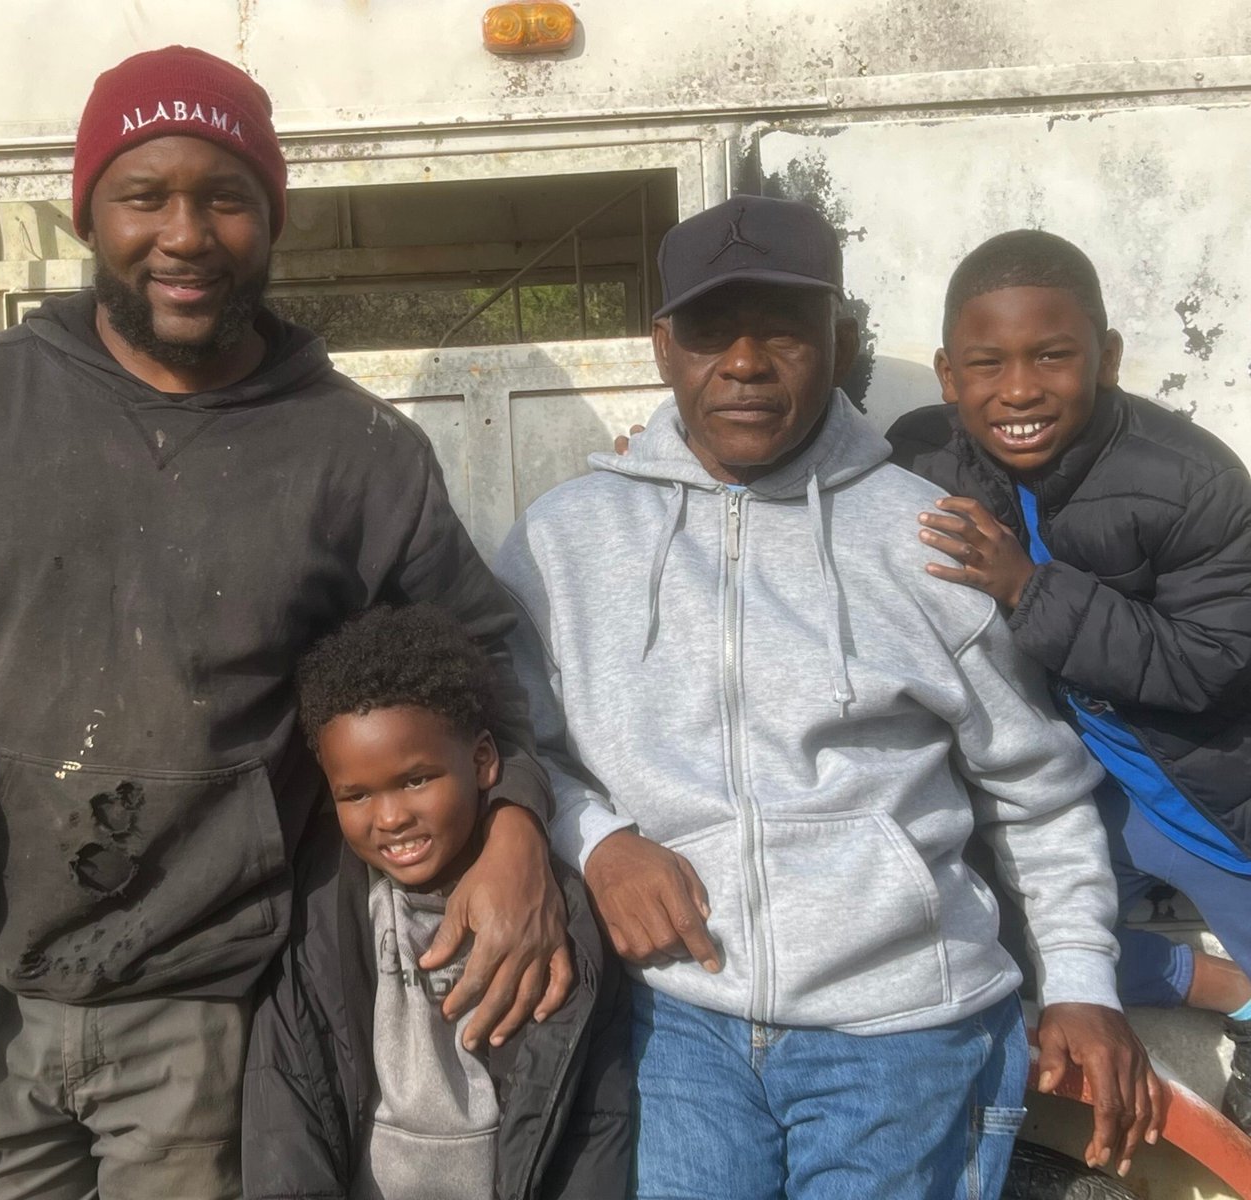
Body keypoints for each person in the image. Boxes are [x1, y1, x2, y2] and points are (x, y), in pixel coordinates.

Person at [0, 46, 568, 1200]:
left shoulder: (360, 455)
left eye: (225, 198)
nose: (184, 234)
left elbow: (480, 664)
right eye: (144, 196)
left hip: (209, 1002)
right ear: (86, 213)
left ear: (273, 217)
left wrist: (517, 819)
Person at [495, 194, 1163, 1200]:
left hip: (904, 1033)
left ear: (840, 342)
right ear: (664, 348)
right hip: (676, 1024)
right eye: (712, 332)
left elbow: (1036, 789)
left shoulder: (930, 537)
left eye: (784, 331)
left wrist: (1079, 981)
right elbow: (513, 745)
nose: (746, 363)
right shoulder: (563, 541)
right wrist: (598, 844)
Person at [887, 228, 1251, 1128]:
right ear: (947, 375)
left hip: (1195, 785)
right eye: (987, 363)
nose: (1018, 389)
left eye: (1052, 356)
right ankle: (1214, 985)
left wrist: (1029, 589)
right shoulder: (915, 458)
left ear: (1108, 357)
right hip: (1045, 788)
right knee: (991, 943)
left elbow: (1211, 661)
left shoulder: (1192, 479)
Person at [241, 605, 632, 1200]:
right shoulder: (316, 921)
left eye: (416, 779)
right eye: (356, 795)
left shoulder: (551, 912)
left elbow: (595, 1116)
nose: (390, 816)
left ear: (482, 762)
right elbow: (286, 1106)